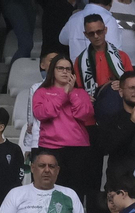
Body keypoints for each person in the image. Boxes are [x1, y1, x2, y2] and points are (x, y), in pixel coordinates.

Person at [32, 53, 95, 203]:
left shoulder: (80, 93)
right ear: (52, 70)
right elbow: (42, 113)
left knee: (75, 192)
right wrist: (63, 94)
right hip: (51, 148)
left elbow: (85, 115)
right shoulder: (41, 92)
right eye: (60, 68)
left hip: (78, 148)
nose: (65, 71)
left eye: (68, 69)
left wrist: (71, 93)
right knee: (49, 191)